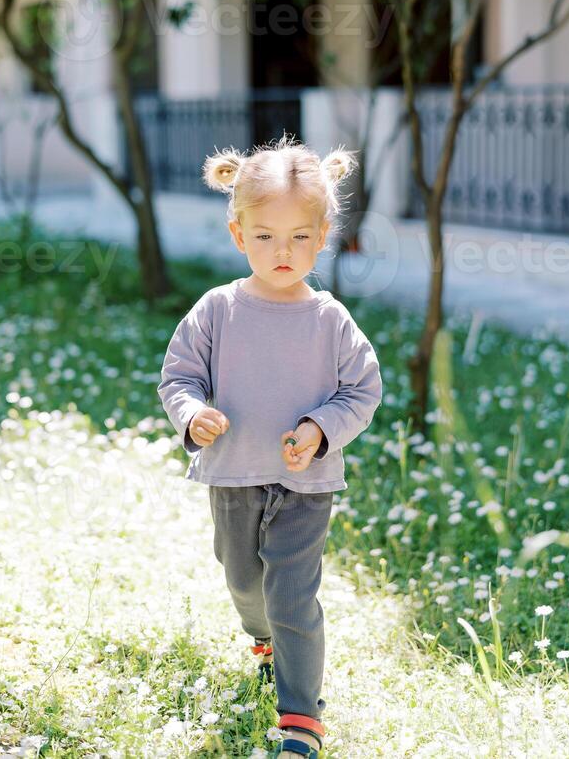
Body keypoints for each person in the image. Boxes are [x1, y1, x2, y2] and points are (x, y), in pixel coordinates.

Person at [157, 132, 383, 759]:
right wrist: (193, 411)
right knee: (243, 579)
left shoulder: (330, 319)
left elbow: (361, 391)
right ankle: (262, 637)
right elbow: (179, 377)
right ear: (238, 236)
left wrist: (318, 430)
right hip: (232, 474)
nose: (282, 251)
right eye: (265, 237)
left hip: (305, 485)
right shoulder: (217, 310)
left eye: (299, 238)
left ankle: (300, 716)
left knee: (291, 593)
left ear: (323, 234)